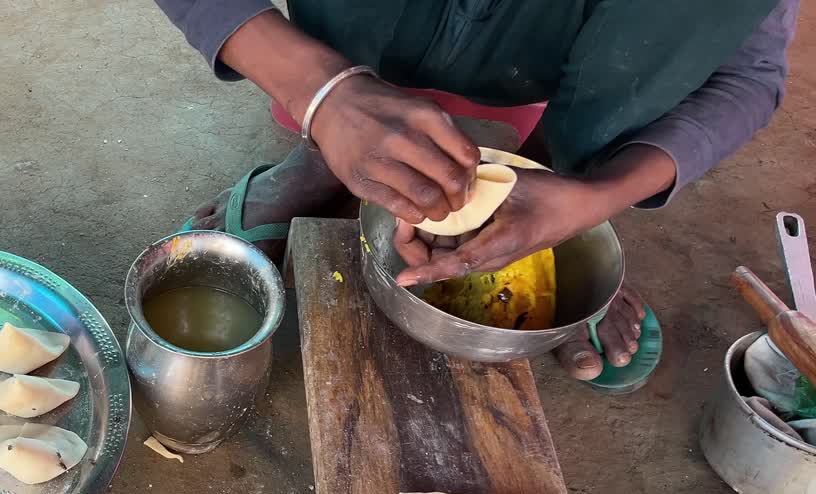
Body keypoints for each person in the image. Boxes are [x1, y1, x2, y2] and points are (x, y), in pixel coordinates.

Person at [153, 0, 798, 387]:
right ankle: (325, 152)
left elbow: (748, 71)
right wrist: (319, 90)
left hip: (544, 56)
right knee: (337, 97)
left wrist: (598, 190)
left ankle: (543, 178)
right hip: (352, 33)